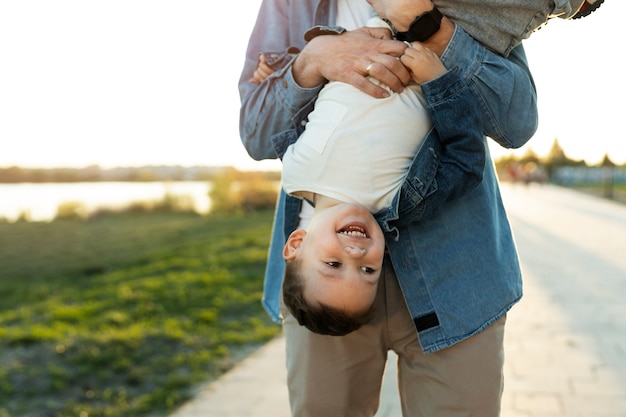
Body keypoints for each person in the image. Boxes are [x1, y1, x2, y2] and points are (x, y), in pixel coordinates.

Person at [238, 0, 599, 415]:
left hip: (455, 275)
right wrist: (312, 61)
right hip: (323, 298)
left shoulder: (468, 6)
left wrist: (426, 25)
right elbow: (256, 130)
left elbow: (515, 121)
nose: (354, 256)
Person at [250, 16, 486, 335]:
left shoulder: (295, 172)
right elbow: (466, 161)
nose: (356, 254)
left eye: (333, 265)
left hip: (366, 31)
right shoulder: (402, 201)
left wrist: (278, 69)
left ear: (296, 243)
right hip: (430, 40)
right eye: (368, 270)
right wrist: (439, 82)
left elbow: (301, 103)